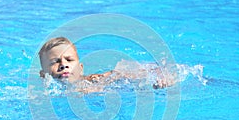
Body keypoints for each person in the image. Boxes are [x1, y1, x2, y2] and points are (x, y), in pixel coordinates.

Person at [39, 37, 177, 92]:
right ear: (43, 74)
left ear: (81, 69)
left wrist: (162, 76)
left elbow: (120, 73)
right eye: (55, 62)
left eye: (69, 60)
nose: (63, 65)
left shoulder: (92, 81)